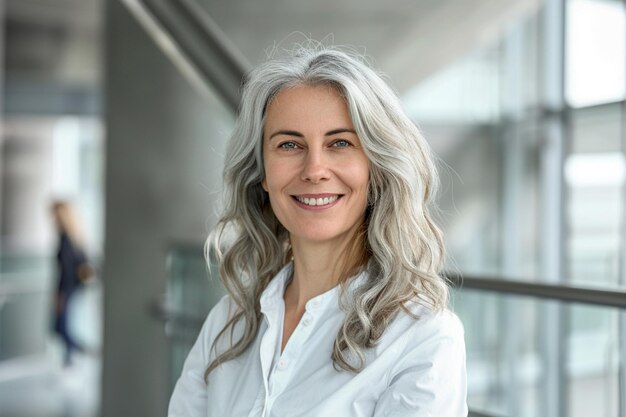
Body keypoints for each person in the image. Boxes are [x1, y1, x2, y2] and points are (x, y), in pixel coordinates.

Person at [169, 45, 467, 417]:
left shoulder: (421, 336)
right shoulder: (229, 322)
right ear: (262, 172)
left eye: (340, 143)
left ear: (376, 166)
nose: (314, 169)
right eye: (289, 145)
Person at [51, 200, 92, 366]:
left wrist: (60, 295)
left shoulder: (66, 239)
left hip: (67, 289)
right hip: (73, 289)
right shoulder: (75, 237)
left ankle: (80, 351)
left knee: (61, 326)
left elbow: (66, 271)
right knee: (63, 325)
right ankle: (71, 356)